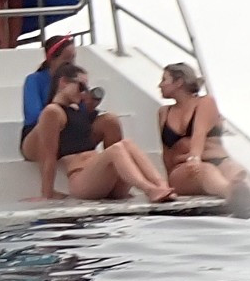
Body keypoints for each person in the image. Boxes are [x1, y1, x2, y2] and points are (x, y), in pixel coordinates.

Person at [32, 67, 173, 202]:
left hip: (100, 179)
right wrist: (47, 193)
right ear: (63, 82)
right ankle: (149, 189)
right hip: (81, 179)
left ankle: (161, 185)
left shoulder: (77, 111)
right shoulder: (53, 112)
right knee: (116, 149)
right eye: (81, 87)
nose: (83, 93)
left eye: (86, 89)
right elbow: (48, 155)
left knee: (127, 143)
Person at [157, 62, 250, 216]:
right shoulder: (164, 112)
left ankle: (243, 195)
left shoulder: (206, 102)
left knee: (235, 171)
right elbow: (166, 153)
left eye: (164, 80)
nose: (160, 85)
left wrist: (195, 157)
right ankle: (230, 193)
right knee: (206, 171)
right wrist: (168, 181)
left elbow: (199, 132)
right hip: (183, 170)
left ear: (178, 82)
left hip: (218, 160)